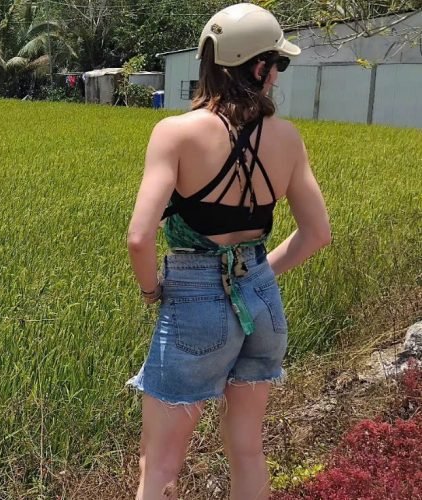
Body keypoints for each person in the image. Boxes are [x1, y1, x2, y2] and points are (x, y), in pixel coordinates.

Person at [124, 3, 332, 499]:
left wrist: (152, 288)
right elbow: (317, 232)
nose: (277, 76)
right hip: (262, 303)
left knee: (159, 464)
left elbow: (139, 236)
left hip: (195, 305)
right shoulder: (287, 139)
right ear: (258, 66)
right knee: (246, 449)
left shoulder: (175, 133)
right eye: (277, 64)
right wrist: (256, 277)